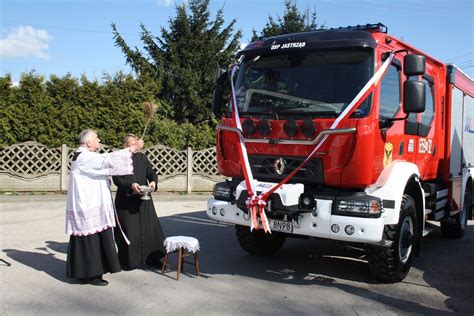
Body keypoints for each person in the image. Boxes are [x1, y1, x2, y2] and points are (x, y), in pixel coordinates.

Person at [65, 129, 135, 286]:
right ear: (89, 142)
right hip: (89, 206)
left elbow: (102, 162)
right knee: (92, 240)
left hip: (90, 204)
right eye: (97, 138)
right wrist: (130, 150)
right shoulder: (84, 157)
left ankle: (84, 273)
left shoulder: (85, 156)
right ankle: (92, 274)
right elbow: (106, 161)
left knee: (90, 239)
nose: (99, 140)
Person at [113, 133, 166, 270]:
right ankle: (128, 261)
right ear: (125, 146)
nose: (136, 144)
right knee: (130, 232)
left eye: (137, 142)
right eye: (132, 143)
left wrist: (153, 182)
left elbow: (151, 173)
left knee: (150, 230)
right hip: (126, 200)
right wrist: (132, 186)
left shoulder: (142, 157)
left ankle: (152, 259)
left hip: (144, 199)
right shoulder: (119, 158)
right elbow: (117, 180)